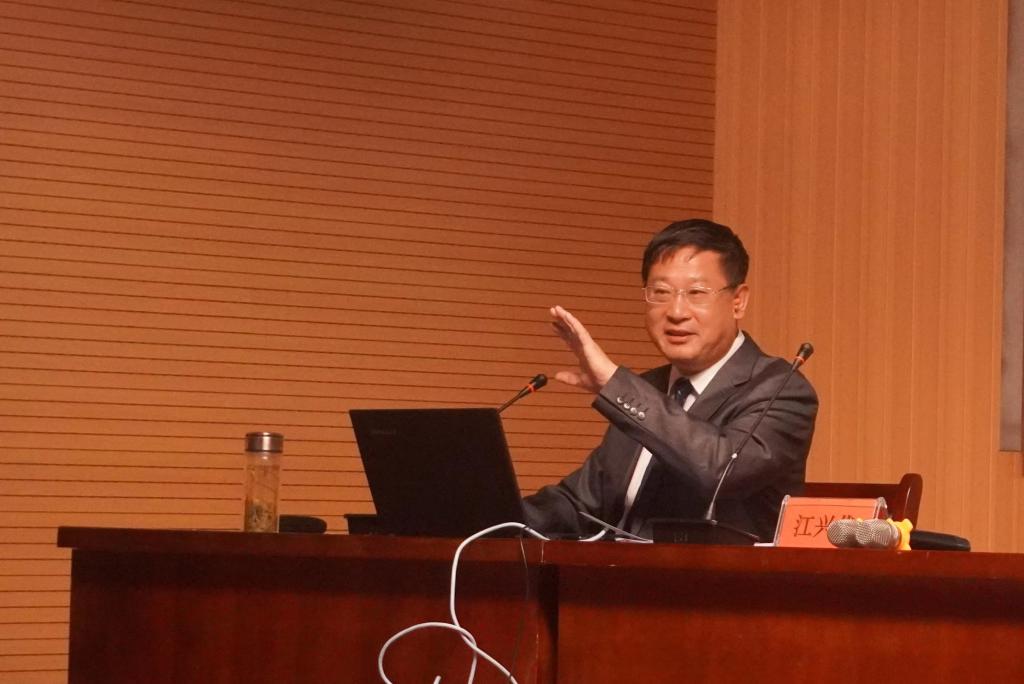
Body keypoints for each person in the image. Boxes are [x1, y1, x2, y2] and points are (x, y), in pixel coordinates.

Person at [522, 219, 818, 542]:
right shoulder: (646, 388)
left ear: (738, 301)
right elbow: (580, 505)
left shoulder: (781, 390)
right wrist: (489, 513)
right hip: (611, 572)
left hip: (714, 575)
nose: (676, 312)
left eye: (696, 293)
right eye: (661, 293)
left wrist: (614, 383)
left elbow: (721, 469)